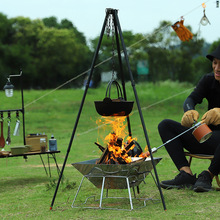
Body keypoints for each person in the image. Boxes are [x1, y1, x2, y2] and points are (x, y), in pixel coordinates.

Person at [158, 43, 220, 192]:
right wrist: (189, 111)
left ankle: (207, 176)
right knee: (165, 125)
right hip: (205, 137)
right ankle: (186, 174)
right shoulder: (208, 80)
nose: (217, 68)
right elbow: (190, 99)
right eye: (215, 63)